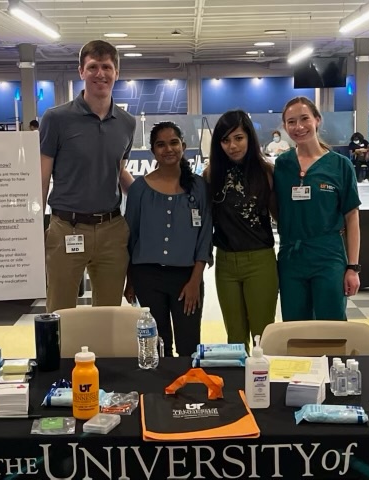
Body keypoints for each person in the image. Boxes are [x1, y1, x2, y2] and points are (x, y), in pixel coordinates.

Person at [39, 40, 136, 312]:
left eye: (107, 67)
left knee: (108, 314)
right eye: (93, 67)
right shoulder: (56, 119)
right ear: (81, 71)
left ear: (116, 72)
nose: (100, 74)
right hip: (65, 227)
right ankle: (59, 358)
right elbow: (42, 177)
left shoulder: (127, 123)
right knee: (60, 313)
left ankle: (100, 357)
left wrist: (150, 196)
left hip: (112, 230)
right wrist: (34, 228)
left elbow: (118, 170)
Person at [124, 122, 212, 357]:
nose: (168, 149)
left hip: (186, 279)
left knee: (189, 344)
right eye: (160, 145)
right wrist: (130, 280)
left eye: (173, 143)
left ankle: (188, 390)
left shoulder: (199, 187)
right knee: (157, 344)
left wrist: (195, 281)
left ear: (183, 146)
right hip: (147, 277)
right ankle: (158, 393)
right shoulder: (139, 189)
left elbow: (205, 237)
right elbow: (130, 237)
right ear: (153, 150)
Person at [274, 96, 361, 321]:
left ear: (317, 120)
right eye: (291, 122)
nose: (299, 126)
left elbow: (352, 218)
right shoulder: (282, 165)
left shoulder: (340, 165)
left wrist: (353, 267)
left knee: (331, 325)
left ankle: (334, 359)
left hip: (328, 256)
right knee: (295, 327)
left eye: (304, 119)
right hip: (291, 258)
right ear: (285, 127)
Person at [205, 110, 278, 352]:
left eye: (238, 138)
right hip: (225, 262)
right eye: (225, 140)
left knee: (262, 336)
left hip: (260, 261)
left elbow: (282, 217)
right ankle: (238, 388)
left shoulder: (267, 172)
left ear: (249, 137)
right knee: (235, 338)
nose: (232, 146)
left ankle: (263, 388)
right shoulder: (211, 174)